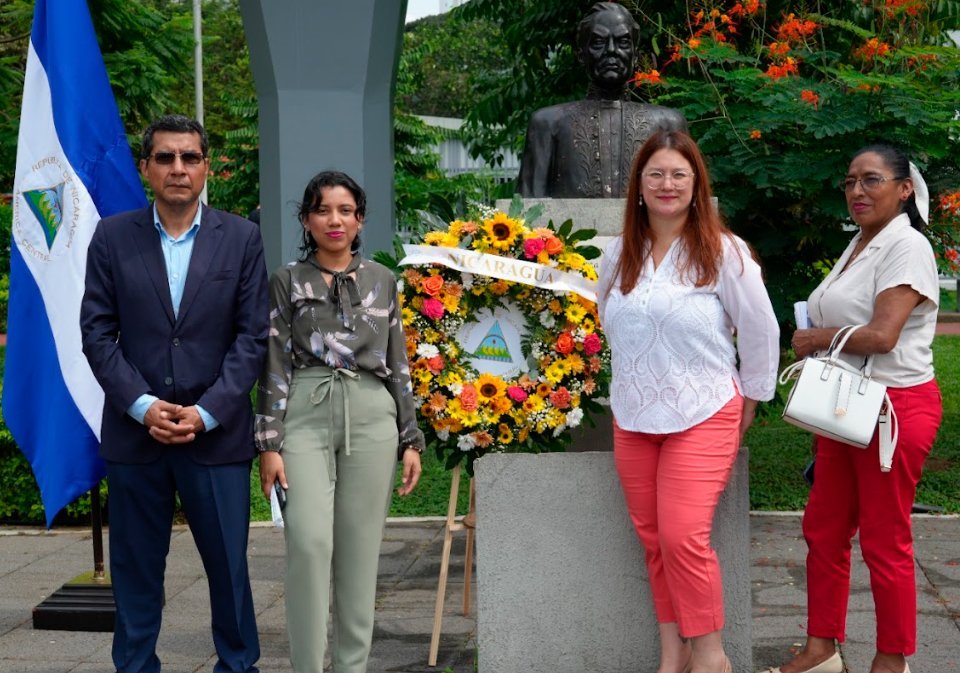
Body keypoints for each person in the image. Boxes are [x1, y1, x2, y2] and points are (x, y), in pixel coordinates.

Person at [80, 114, 269, 673]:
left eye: (189, 157)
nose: (178, 168)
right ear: (146, 168)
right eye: (165, 157)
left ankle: (238, 666)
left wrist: (207, 411)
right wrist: (142, 407)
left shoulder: (242, 238)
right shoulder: (112, 237)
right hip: (137, 438)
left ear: (206, 166)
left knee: (229, 572)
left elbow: (252, 337)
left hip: (216, 438)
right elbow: (96, 333)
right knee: (135, 573)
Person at [598, 129, 780, 673]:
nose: (667, 184)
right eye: (656, 173)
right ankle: (672, 652)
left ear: (697, 184)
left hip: (704, 409)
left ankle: (711, 655)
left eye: (679, 174)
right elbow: (607, 324)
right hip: (633, 414)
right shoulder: (617, 254)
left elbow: (761, 329)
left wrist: (753, 397)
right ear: (638, 185)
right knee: (654, 540)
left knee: (682, 538)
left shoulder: (724, 251)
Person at [765, 145, 942, 673]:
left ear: (904, 189)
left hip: (893, 409)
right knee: (823, 529)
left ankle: (891, 660)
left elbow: (884, 336)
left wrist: (815, 338)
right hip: (845, 405)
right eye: (849, 182)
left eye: (871, 180)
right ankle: (821, 650)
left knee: (885, 541)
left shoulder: (907, 245)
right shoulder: (861, 243)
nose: (857, 191)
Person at [255, 171, 424, 673]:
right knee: (309, 543)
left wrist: (410, 438)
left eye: (345, 210)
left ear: (360, 220)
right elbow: (274, 360)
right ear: (306, 220)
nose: (335, 220)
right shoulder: (287, 280)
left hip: (372, 415)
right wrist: (269, 443)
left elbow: (398, 360)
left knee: (359, 554)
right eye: (323, 210)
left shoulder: (382, 280)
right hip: (305, 410)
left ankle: (352, 667)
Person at [517, 2, 687, 199]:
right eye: (598, 42)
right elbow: (525, 210)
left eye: (623, 42)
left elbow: (688, 203)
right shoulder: (548, 123)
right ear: (581, 54)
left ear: (635, 55)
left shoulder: (668, 124)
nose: (611, 50)